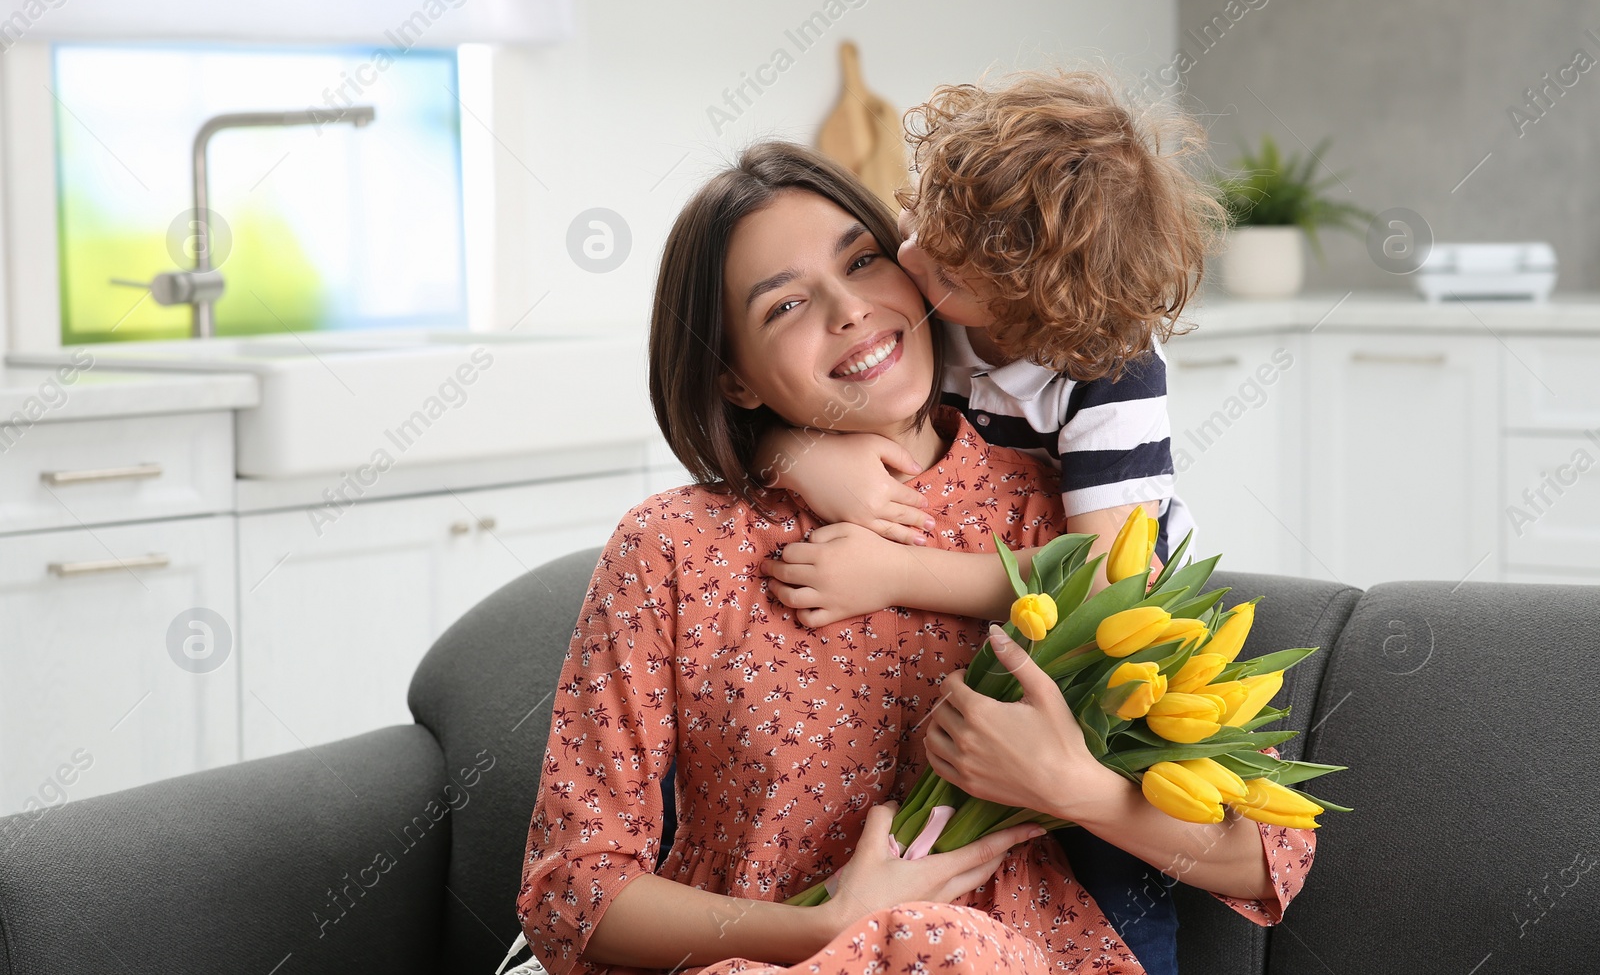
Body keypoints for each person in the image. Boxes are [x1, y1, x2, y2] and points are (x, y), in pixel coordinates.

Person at [514, 141, 1312, 975]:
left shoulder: (1072, 525)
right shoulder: (673, 548)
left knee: (942, 945)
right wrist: (824, 926)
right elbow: (573, 894)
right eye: (783, 307)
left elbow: (1268, 851)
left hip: (1013, 958)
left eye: (862, 260)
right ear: (734, 379)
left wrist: (1070, 785)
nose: (848, 308)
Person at [750, 72, 1230, 969]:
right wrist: (799, 450)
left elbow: (1098, 582)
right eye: (928, 220)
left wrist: (892, 575)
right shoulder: (946, 304)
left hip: (1110, 649)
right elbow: (791, 394)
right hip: (1014, 627)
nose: (916, 255)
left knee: (1110, 868)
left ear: (1035, 312)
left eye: (953, 271)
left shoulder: (1110, 364)